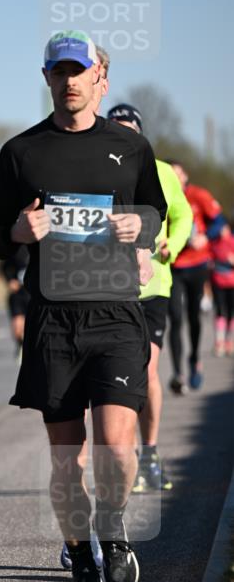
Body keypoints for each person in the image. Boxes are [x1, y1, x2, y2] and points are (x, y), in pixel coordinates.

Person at [0, 30, 166, 582]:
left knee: (116, 446)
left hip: (115, 312)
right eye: (58, 72)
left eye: (78, 71)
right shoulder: (21, 152)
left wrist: (140, 225)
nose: (69, 81)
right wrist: (17, 231)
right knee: (67, 459)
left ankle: (112, 525)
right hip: (53, 319)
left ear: (98, 77)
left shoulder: (130, 147)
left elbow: (155, 211)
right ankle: (82, 566)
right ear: (47, 79)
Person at [105, 106, 192, 493]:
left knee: (146, 370)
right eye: (116, 129)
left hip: (153, 284)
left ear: (140, 134)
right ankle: (124, 458)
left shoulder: (161, 171)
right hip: (109, 286)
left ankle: (150, 454)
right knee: (115, 376)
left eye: (130, 130)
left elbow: (183, 215)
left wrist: (173, 242)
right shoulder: (97, 168)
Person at [167, 162, 225, 392]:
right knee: (175, 318)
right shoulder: (161, 195)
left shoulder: (198, 195)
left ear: (185, 175)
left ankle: (194, 360)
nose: (175, 178)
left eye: (178, 174)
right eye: (171, 174)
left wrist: (205, 237)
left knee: (193, 316)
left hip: (197, 264)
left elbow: (219, 221)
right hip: (172, 264)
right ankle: (177, 374)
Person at [210, 220, 234, 356]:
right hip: (218, 281)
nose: (221, 231)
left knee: (231, 312)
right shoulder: (215, 243)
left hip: (232, 282)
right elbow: (210, 258)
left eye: (223, 228)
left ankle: (229, 341)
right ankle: (219, 342)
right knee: (219, 310)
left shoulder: (232, 241)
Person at [1, 248, 30, 359]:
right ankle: (20, 345)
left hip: (34, 294)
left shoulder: (43, 246)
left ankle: (31, 348)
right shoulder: (17, 248)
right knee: (18, 328)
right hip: (18, 294)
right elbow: (4, 267)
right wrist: (10, 280)